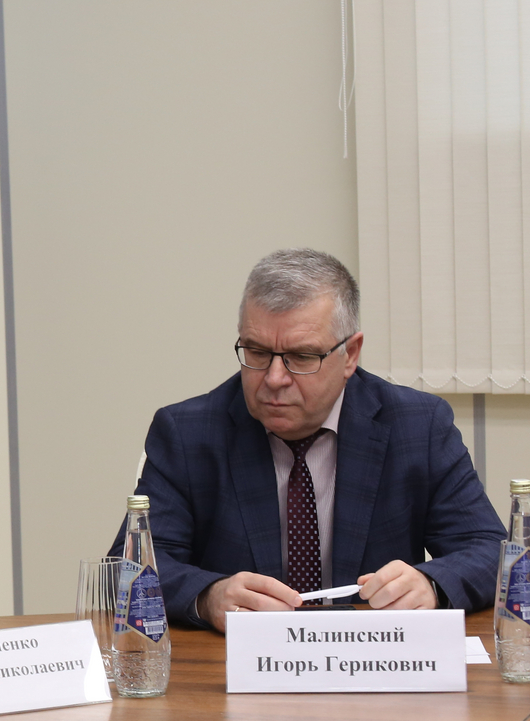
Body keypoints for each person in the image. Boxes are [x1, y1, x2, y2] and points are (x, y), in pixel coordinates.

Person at [125, 249, 503, 632]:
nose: (274, 378)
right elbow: (133, 568)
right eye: (257, 352)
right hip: (240, 659)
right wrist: (208, 596)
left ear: (350, 354)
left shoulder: (418, 426)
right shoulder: (188, 433)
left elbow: (490, 550)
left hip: (373, 655)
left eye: (302, 357)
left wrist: (431, 584)